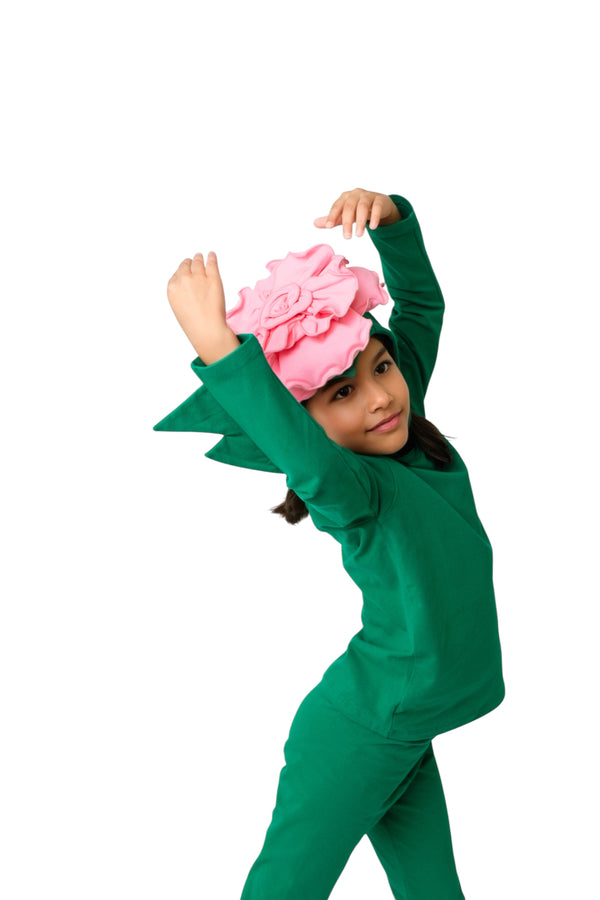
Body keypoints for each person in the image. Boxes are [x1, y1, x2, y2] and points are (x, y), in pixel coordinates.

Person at [153, 188, 506, 900]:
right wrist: (221, 350)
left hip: (402, 722)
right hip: (362, 730)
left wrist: (394, 222)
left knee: (433, 886)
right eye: (340, 394)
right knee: (286, 888)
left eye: (380, 369)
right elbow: (308, 461)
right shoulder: (355, 491)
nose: (379, 397)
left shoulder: (407, 434)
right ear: (306, 425)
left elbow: (422, 311)